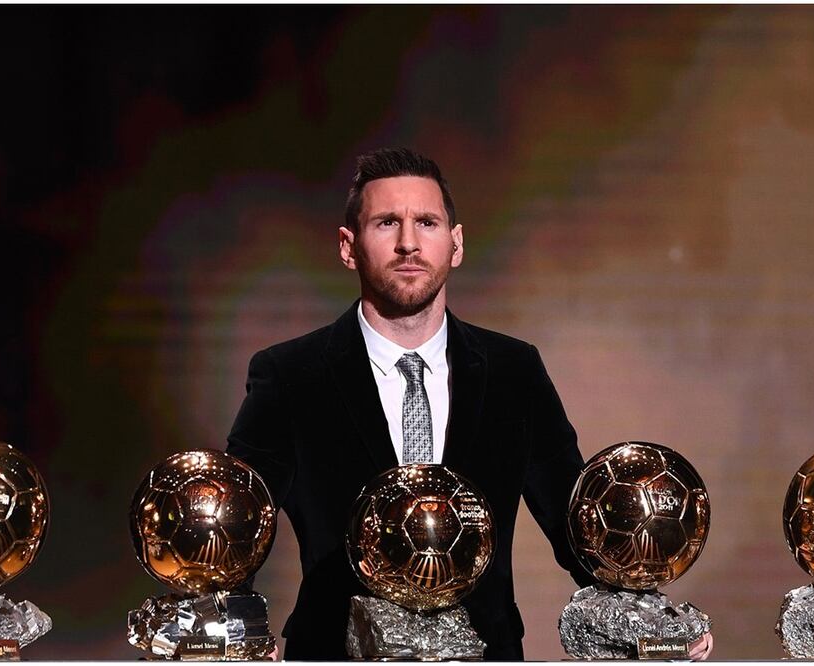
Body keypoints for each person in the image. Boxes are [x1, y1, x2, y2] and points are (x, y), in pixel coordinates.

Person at [226, 147, 712, 660]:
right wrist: (232, 638)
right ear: (348, 246)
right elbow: (235, 526)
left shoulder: (514, 372)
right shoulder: (290, 375)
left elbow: (580, 528)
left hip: (486, 656)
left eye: (427, 222)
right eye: (387, 222)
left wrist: (651, 622)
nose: (409, 243)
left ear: (455, 244)